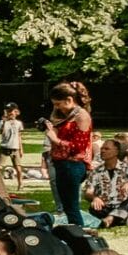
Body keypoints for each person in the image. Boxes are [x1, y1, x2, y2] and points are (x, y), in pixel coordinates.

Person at [44, 81, 94, 225]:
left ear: (69, 100)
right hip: (61, 164)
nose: (56, 108)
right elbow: (55, 121)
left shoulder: (81, 116)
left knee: (72, 207)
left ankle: (79, 235)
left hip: (73, 165)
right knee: (66, 206)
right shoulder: (67, 116)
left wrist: (55, 140)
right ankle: (73, 233)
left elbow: (78, 147)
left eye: (58, 104)